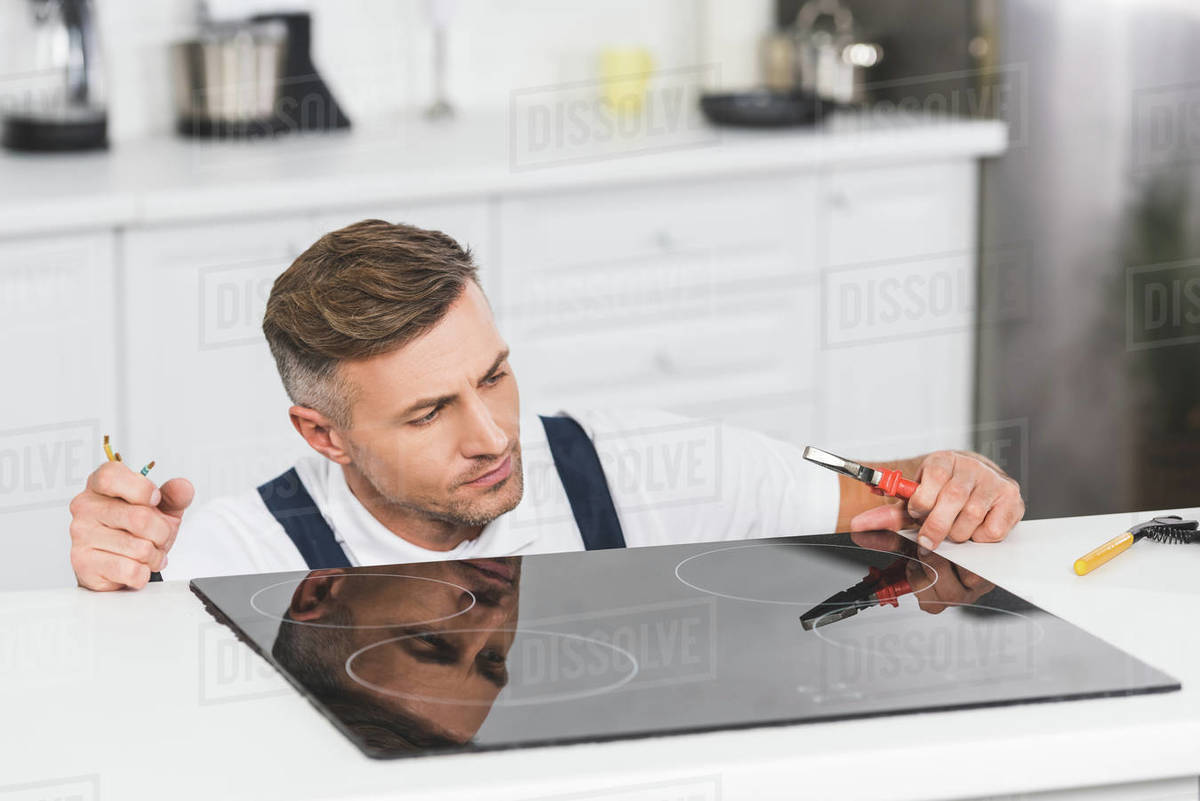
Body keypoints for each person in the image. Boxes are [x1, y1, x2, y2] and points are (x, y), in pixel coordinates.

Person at [67, 220, 1026, 591]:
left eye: (493, 376)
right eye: (428, 413)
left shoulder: (634, 468)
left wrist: (960, 481)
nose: (493, 436)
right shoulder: (232, 555)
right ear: (326, 434)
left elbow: (893, 503)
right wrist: (110, 576)